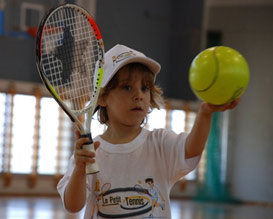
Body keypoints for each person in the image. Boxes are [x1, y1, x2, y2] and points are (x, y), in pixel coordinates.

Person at [57, 44, 239, 218]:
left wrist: (205, 114)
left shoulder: (159, 142)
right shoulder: (89, 155)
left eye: (144, 88)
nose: (139, 95)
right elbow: (74, 206)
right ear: (103, 97)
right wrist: (80, 170)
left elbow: (192, 149)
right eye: (127, 87)